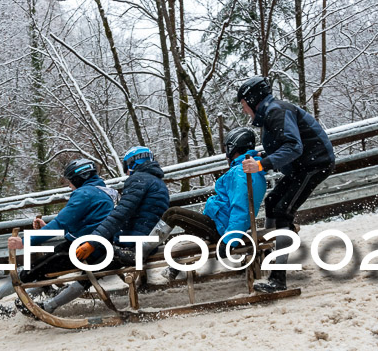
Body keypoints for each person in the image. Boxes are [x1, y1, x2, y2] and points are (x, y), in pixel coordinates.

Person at [0, 159, 116, 311]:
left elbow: (60, 224)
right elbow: (87, 225)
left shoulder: (85, 194)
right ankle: (18, 307)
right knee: (47, 270)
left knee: (35, 269)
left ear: (79, 178)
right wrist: (47, 227)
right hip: (101, 247)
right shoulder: (104, 192)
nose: (69, 185)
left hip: (84, 249)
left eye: (70, 181)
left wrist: (23, 242)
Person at [40, 147, 170, 313]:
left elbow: (120, 214)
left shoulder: (139, 180)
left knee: (89, 263)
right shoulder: (157, 182)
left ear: (132, 163)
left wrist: (93, 241)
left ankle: (49, 305)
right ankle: (48, 300)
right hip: (143, 242)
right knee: (92, 262)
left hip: (130, 246)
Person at [237, 76, 335, 292]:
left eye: (244, 104)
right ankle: (270, 256)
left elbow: (293, 146)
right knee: (272, 201)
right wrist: (263, 155)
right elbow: (283, 145)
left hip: (315, 164)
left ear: (253, 99)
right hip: (301, 165)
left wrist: (261, 164)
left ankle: (278, 279)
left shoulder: (276, 111)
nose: (244, 110)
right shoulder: (270, 114)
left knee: (283, 211)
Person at [139, 127, 267, 280]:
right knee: (192, 225)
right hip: (221, 224)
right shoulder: (248, 168)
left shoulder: (240, 172)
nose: (226, 152)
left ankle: (141, 251)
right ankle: (174, 267)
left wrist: (228, 240)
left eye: (227, 148)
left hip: (222, 229)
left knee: (173, 213)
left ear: (234, 147)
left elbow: (242, 208)